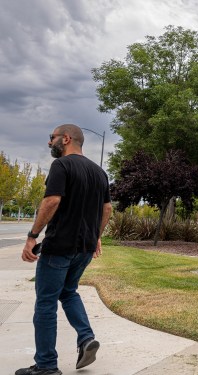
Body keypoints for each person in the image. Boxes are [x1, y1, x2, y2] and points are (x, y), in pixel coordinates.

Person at [16, 124, 112, 375]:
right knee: (68, 292)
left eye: (52, 138)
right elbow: (107, 209)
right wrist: (97, 236)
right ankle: (86, 338)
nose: (50, 143)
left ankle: (46, 365)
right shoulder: (100, 173)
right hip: (84, 249)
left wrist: (32, 236)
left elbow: (52, 200)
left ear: (66, 139)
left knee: (46, 303)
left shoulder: (62, 165)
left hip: (59, 246)